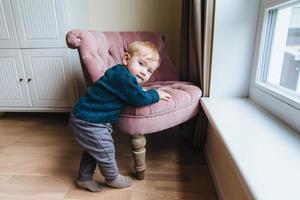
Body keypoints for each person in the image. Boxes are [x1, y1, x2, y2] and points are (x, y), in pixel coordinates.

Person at [68, 41, 171, 192]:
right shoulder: (124, 78)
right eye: (141, 64)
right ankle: (112, 178)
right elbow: (139, 98)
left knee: (93, 151)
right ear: (126, 59)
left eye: (149, 70)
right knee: (106, 150)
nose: (144, 72)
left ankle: (84, 178)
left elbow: (133, 91)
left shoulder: (120, 73)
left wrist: (142, 89)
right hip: (90, 121)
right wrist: (156, 94)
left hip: (85, 117)